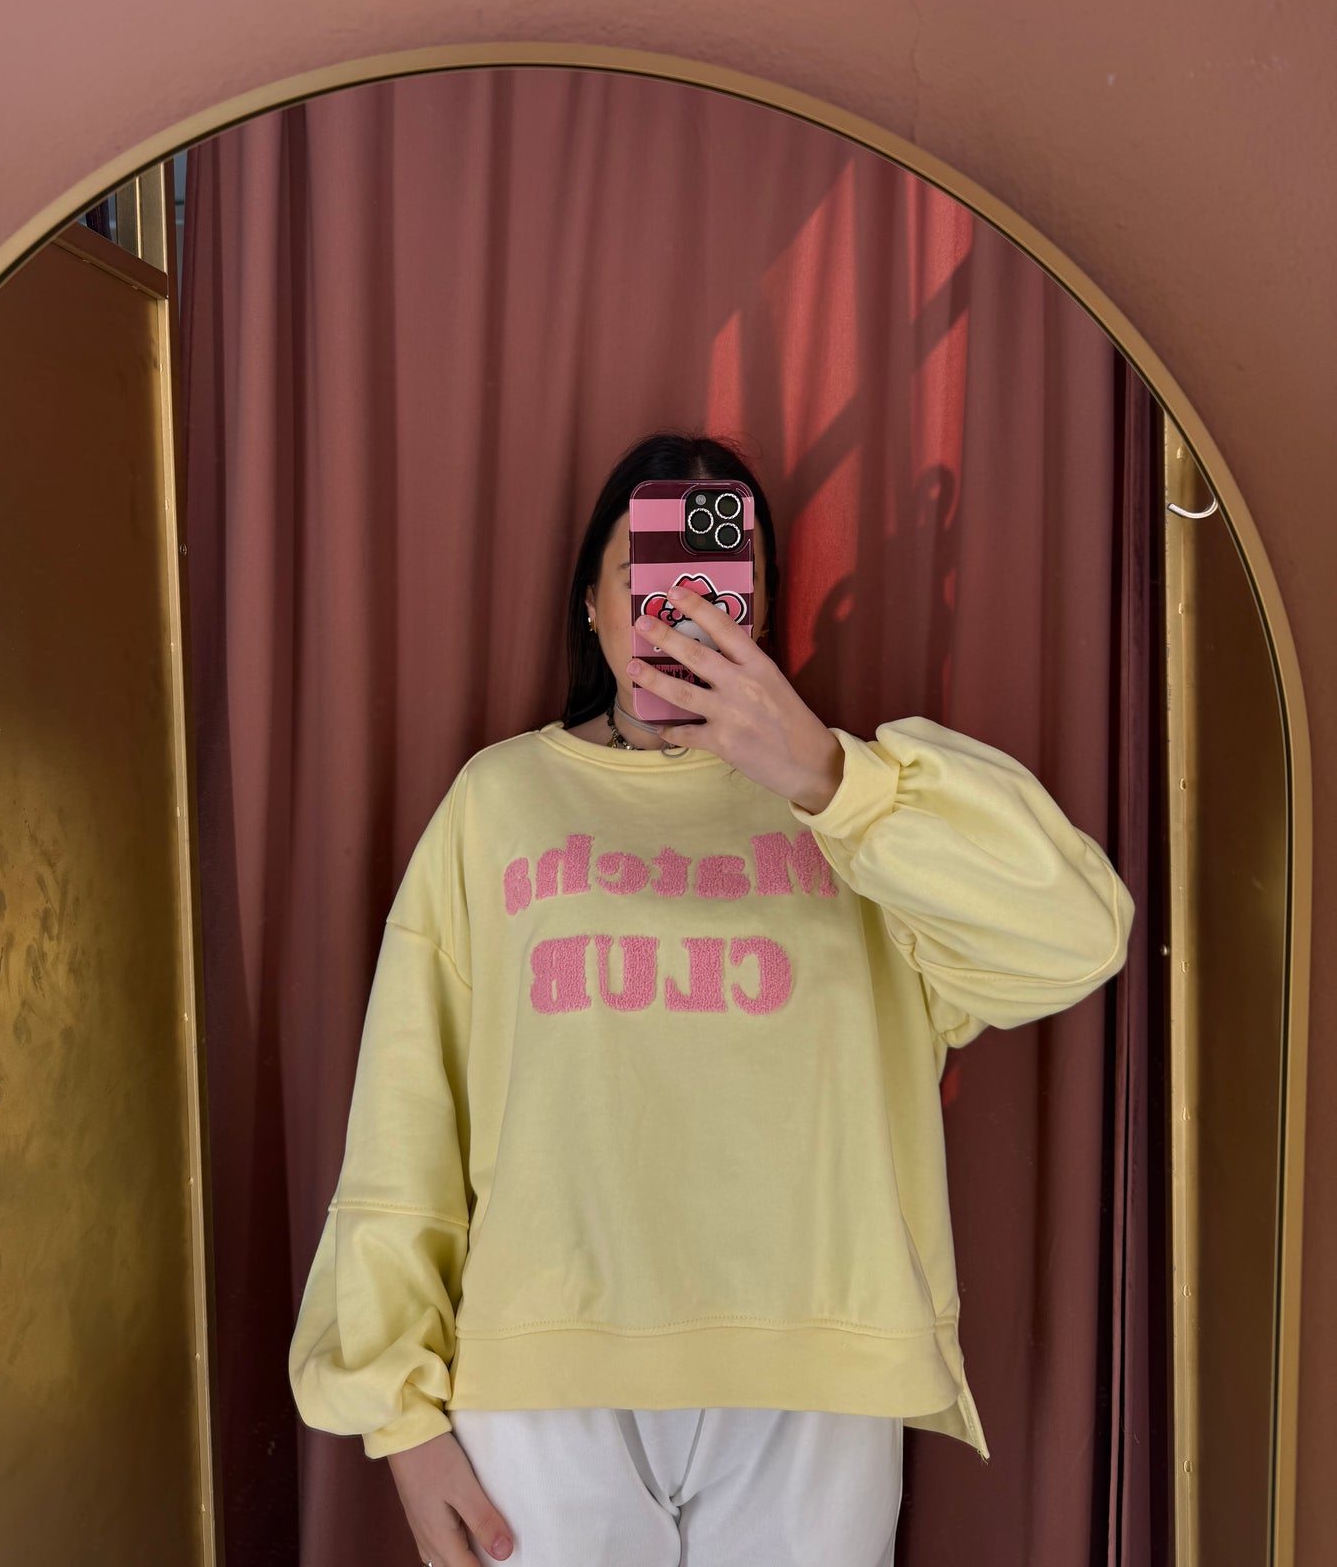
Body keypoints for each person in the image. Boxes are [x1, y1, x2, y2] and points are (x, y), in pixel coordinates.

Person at [288, 430, 1134, 1567]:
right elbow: (405, 1121)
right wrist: (400, 1419)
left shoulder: (861, 809)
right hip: (544, 1372)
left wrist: (830, 780)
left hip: (816, 1371)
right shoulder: (501, 801)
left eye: (717, 582)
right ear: (592, 606)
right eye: (643, 578)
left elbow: (1077, 937)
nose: (676, 610)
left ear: (759, 612)